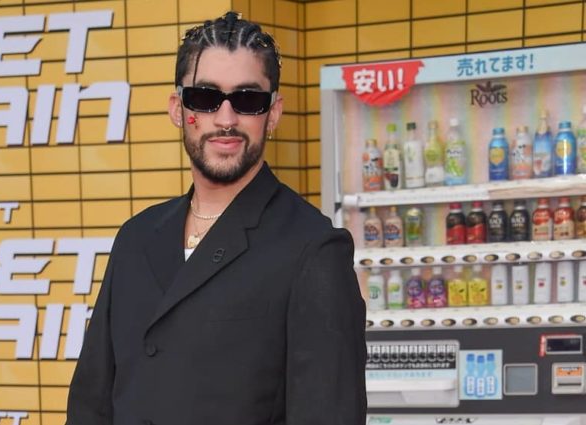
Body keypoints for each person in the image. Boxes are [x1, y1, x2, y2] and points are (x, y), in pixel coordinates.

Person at [66, 11, 366, 425]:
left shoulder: (312, 248)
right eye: (205, 98)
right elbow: (92, 400)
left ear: (273, 113)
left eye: (248, 100)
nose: (226, 120)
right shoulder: (136, 237)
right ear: (178, 108)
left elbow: (328, 413)